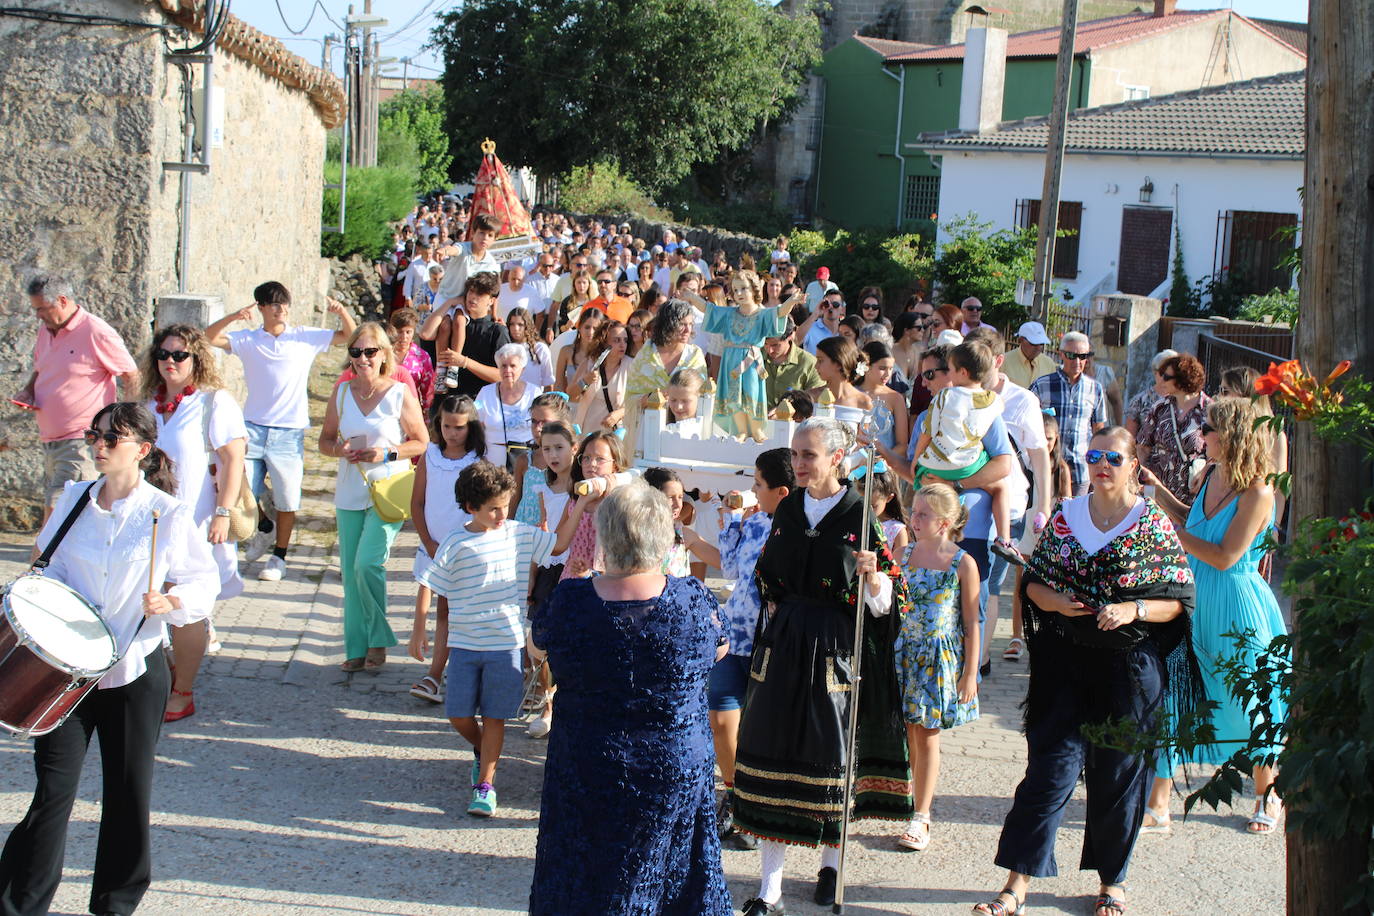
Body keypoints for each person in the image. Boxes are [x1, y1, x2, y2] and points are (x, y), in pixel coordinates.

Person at [0, 402, 218, 916]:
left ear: (142, 451)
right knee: (53, 791)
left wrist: (173, 601)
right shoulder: (74, 498)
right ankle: (18, 904)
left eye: (110, 439)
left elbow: (203, 580)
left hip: (134, 670)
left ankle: (116, 904)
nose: (98, 446)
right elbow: (46, 569)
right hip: (64, 675)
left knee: (127, 793)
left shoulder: (168, 512)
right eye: (94, 436)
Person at [973, 427, 1199, 916]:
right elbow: (1031, 584)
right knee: (1048, 773)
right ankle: (1016, 886)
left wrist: (1134, 609)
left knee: (1117, 778)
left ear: (1134, 467)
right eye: (1095, 455)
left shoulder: (1152, 523)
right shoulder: (1066, 515)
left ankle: (1113, 883)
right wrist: (1059, 603)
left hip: (1129, 669)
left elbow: (1179, 601)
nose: (1102, 464)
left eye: (1114, 457)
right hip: (1065, 662)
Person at [734, 417, 913, 914]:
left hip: (836, 650)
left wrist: (874, 578)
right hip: (785, 644)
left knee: (830, 759)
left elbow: (885, 604)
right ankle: (768, 889)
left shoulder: (859, 514)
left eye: (809, 455)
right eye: (795, 454)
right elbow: (768, 575)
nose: (799, 463)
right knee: (770, 752)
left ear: (837, 458)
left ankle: (831, 869)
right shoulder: (789, 507)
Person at [527, 482, 731, 914]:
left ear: (605, 535)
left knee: (586, 877)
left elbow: (536, 648)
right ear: (663, 535)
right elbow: (719, 648)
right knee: (672, 884)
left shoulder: (569, 601)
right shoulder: (693, 601)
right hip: (672, 766)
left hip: (588, 764)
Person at [1142, 398, 1287, 835]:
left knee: (1253, 702)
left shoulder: (1260, 491)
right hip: (1194, 598)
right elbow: (1196, 523)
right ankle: (1159, 803)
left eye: (1208, 428)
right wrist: (1157, 493)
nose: (1200, 434)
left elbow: (1225, 555)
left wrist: (1172, 534)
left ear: (1233, 436)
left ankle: (1268, 793)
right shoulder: (1211, 473)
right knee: (1176, 692)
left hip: (1238, 606)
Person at [419, 461, 557, 818]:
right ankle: (484, 753)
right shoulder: (455, 541)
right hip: (465, 645)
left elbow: (559, 547)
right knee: (458, 714)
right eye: (493, 507)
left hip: (506, 645)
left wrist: (584, 507)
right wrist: (419, 628)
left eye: (506, 505)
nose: (502, 513)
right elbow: (435, 587)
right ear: (471, 508)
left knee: (495, 717)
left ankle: (486, 785)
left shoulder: (518, 533)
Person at [204, 281, 357, 580]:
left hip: (289, 432)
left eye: (284, 303)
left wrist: (341, 311)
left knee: (288, 498)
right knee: (238, 489)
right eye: (274, 304)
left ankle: (279, 556)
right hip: (252, 429)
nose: (281, 309)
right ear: (261, 307)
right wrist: (234, 316)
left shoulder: (303, 337)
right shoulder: (248, 339)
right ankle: (263, 526)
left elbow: (349, 337)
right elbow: (209, 337)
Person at [141, 324, 247, 723]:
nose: (170, 362)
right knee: (152, 599)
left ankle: (182, 690)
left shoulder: (212, 403)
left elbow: (233, 459)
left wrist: (223, 512)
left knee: (188, 605)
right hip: (151, 522)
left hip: (197, 519)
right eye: (164, 354)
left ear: (196, 358)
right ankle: (163, 673)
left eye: (179, 355)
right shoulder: (148, 407)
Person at [319, 323, 429, 673]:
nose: (362, 358)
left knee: (368, 564)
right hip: (350, 490)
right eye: (356, 352)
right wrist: (340, 450)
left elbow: (421, 442)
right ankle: (356, 647)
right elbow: (324, 441)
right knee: (350, 573)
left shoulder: (399, 393)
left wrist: (388, 453)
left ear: (383, 354)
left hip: (389, 490)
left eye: (369, 352)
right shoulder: (341, 393)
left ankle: (378, 638)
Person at [894, 483, 980, 852]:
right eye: (913, 512)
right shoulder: (903, 554)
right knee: (908, 729)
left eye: (923, 514)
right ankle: (909, 797)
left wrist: (970, 672)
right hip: (904, 651)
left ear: (944, 522)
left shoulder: (963, 562)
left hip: (937, 657)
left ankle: (922, 815)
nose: (914, 520)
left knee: (927, 733)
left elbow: (971, 622)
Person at [15, 275, 140, 526]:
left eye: (42, 308)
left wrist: (126, 423)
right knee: (64, 514)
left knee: (60, 512)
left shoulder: (96, 331)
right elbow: (41, 368)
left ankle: (40, 564)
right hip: (50, 439)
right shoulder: (46, 331)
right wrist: (29, 390)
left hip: (82, 439)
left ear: (62, 301)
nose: (38, 315)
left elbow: (131, 374)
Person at [407, 394, 486, 705]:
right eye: (447, 426)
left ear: (472, 427)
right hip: (433, 545)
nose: (453, 433)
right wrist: (427, 540)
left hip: (463, 549)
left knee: (452, 613)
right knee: (435, 601)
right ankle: (433, 671)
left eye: (460, 427)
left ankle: (439, 674)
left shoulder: (477, 462)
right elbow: (417, 502)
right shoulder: (430, 456)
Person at [911, 341, 1018, 560]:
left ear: (959, 372)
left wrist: (919, 463)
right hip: (936, 525)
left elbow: (1003, 464)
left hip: (971, 532)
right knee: (1000, 487)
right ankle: (1004, 538)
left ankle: (1002, 539)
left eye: (930, 374)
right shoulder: (992, 402)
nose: (923, 383)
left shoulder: (943, 398)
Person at [524, 419, 578, 738]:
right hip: (548, 566)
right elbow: (542, 530)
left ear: (574, 449)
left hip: (575, 568)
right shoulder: (543, 486)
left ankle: (568, 706)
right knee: (540, 641)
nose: (553, 455)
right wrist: (532, 575)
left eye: (559, 447)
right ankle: (548, 705)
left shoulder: (582, 489)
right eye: (546, 449)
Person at [697, 270, 788, 438]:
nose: (739, 293)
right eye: (735, 289)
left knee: (752, 392)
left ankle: (756, 429)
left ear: (754, 289)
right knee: (734, 397)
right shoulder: (729, 313)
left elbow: (780, 312)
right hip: (731, 359)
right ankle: (741, 430)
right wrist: (691, 297)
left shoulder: (762, 313)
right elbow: (709, 309)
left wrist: (792, 301)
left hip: (751, 360)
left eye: (744, 288)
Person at [622, 300, 708, 456]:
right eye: (682, 324)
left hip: (685, 435)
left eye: (690, 324)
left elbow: (704, 399)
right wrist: (651, 398)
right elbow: (630, 398)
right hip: (648, 434)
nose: (687, 330)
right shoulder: (645, 355)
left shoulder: (695, 355)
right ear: (668, 324)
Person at [1030, 332, 1106, 496]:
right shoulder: (1042, 385)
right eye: (1072, 355)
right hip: (1048, 468)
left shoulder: (1095, 389)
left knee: (1077, 519)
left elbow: (1099, 430)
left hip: (1081, 469)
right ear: (1061, 354)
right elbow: (1027, 424)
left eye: (1083, 356)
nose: (1077, 362)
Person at [1135, 353, 1210, 505]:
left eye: (1167, 376)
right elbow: (1143, 447)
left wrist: (1205, 471)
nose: (1161, 380)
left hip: (1192, 493)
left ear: (1183, 379)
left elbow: (1218, 452)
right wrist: (1138, 480)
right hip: (1157, 492)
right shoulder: (1160, 408)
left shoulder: (1209, 411)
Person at [1219, 365, 1288, 526]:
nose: (1219, 397)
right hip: (1222, 509)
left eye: (1225, 391)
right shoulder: (1226, 427)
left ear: (1244, 394)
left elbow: (1279, 486)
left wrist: (1275, 527)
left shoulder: (1273, 433)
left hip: (1254, 516)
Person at [475, 343, 543, 475]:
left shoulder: (534, 393)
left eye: (513, 366)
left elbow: (543, 426)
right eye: (503, 366)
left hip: (527, 463)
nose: (508, 370)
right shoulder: (485, 393)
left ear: (522, 369)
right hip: (493, 467)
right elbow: (475, 427)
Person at [859, 341, 912, 475]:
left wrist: (878, 461)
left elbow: (902, 444)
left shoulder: (895, 398)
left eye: (891, 368)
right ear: (867, 366)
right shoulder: (851, 393)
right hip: (853, 467)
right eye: (882, 368)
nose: (888, 374)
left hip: (884, 469)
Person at [433, 213, 502, 311]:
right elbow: (454, 249)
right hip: (445, 297)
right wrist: (444, 251)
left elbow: (494, 290)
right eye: (481, 233)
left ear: (494, 239)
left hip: (467, 303)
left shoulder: (491, 264)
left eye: (490, 235)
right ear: (473, 233)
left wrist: (494, 315)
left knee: (459, 323)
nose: (485, 238)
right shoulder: (463, 248)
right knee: (445, 325)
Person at [573, 320, 630, 433]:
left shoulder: (631, 366)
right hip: (588, 431)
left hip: (616, 432)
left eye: (625, 340)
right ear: (604, 342)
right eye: (616, 340)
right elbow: (570, 393)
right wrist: (585, 381)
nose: (622, 344)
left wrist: (620, 413)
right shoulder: (590, 363)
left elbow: (639, 400)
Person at [761, 317, 822, 410]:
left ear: (790, 336)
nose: (770, 350)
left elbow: (817, 400)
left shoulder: (809, 363)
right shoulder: (754, 357)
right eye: (765, 344)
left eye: (775, 345)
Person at [387, 308, 436, 411]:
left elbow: (428, 390)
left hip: (411, 409)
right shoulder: (383, 354)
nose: (404, 337)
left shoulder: (422, 357)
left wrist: (426, 416)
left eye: (408, 332)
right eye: (399, 332)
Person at [1123, 349, 1177, 440]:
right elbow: (1130, 437)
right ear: (1155, 373)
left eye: (1172, 374)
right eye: (1163, 373)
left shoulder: (1183, 399)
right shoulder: (1139, 401)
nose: (1167, 377)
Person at [505, 307, 555, 388]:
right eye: (512, 324)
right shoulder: (505, 348)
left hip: (534, 398)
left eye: (520, 324)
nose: (515, 328)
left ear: (527, 325)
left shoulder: (540, 349)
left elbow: (548, 382)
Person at [1003, 321, 1058, 390]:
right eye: (1033, 343)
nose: (1038, 348)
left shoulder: (1049, 364)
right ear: (1021, 340)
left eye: (1041, 344)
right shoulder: (1004, 361)